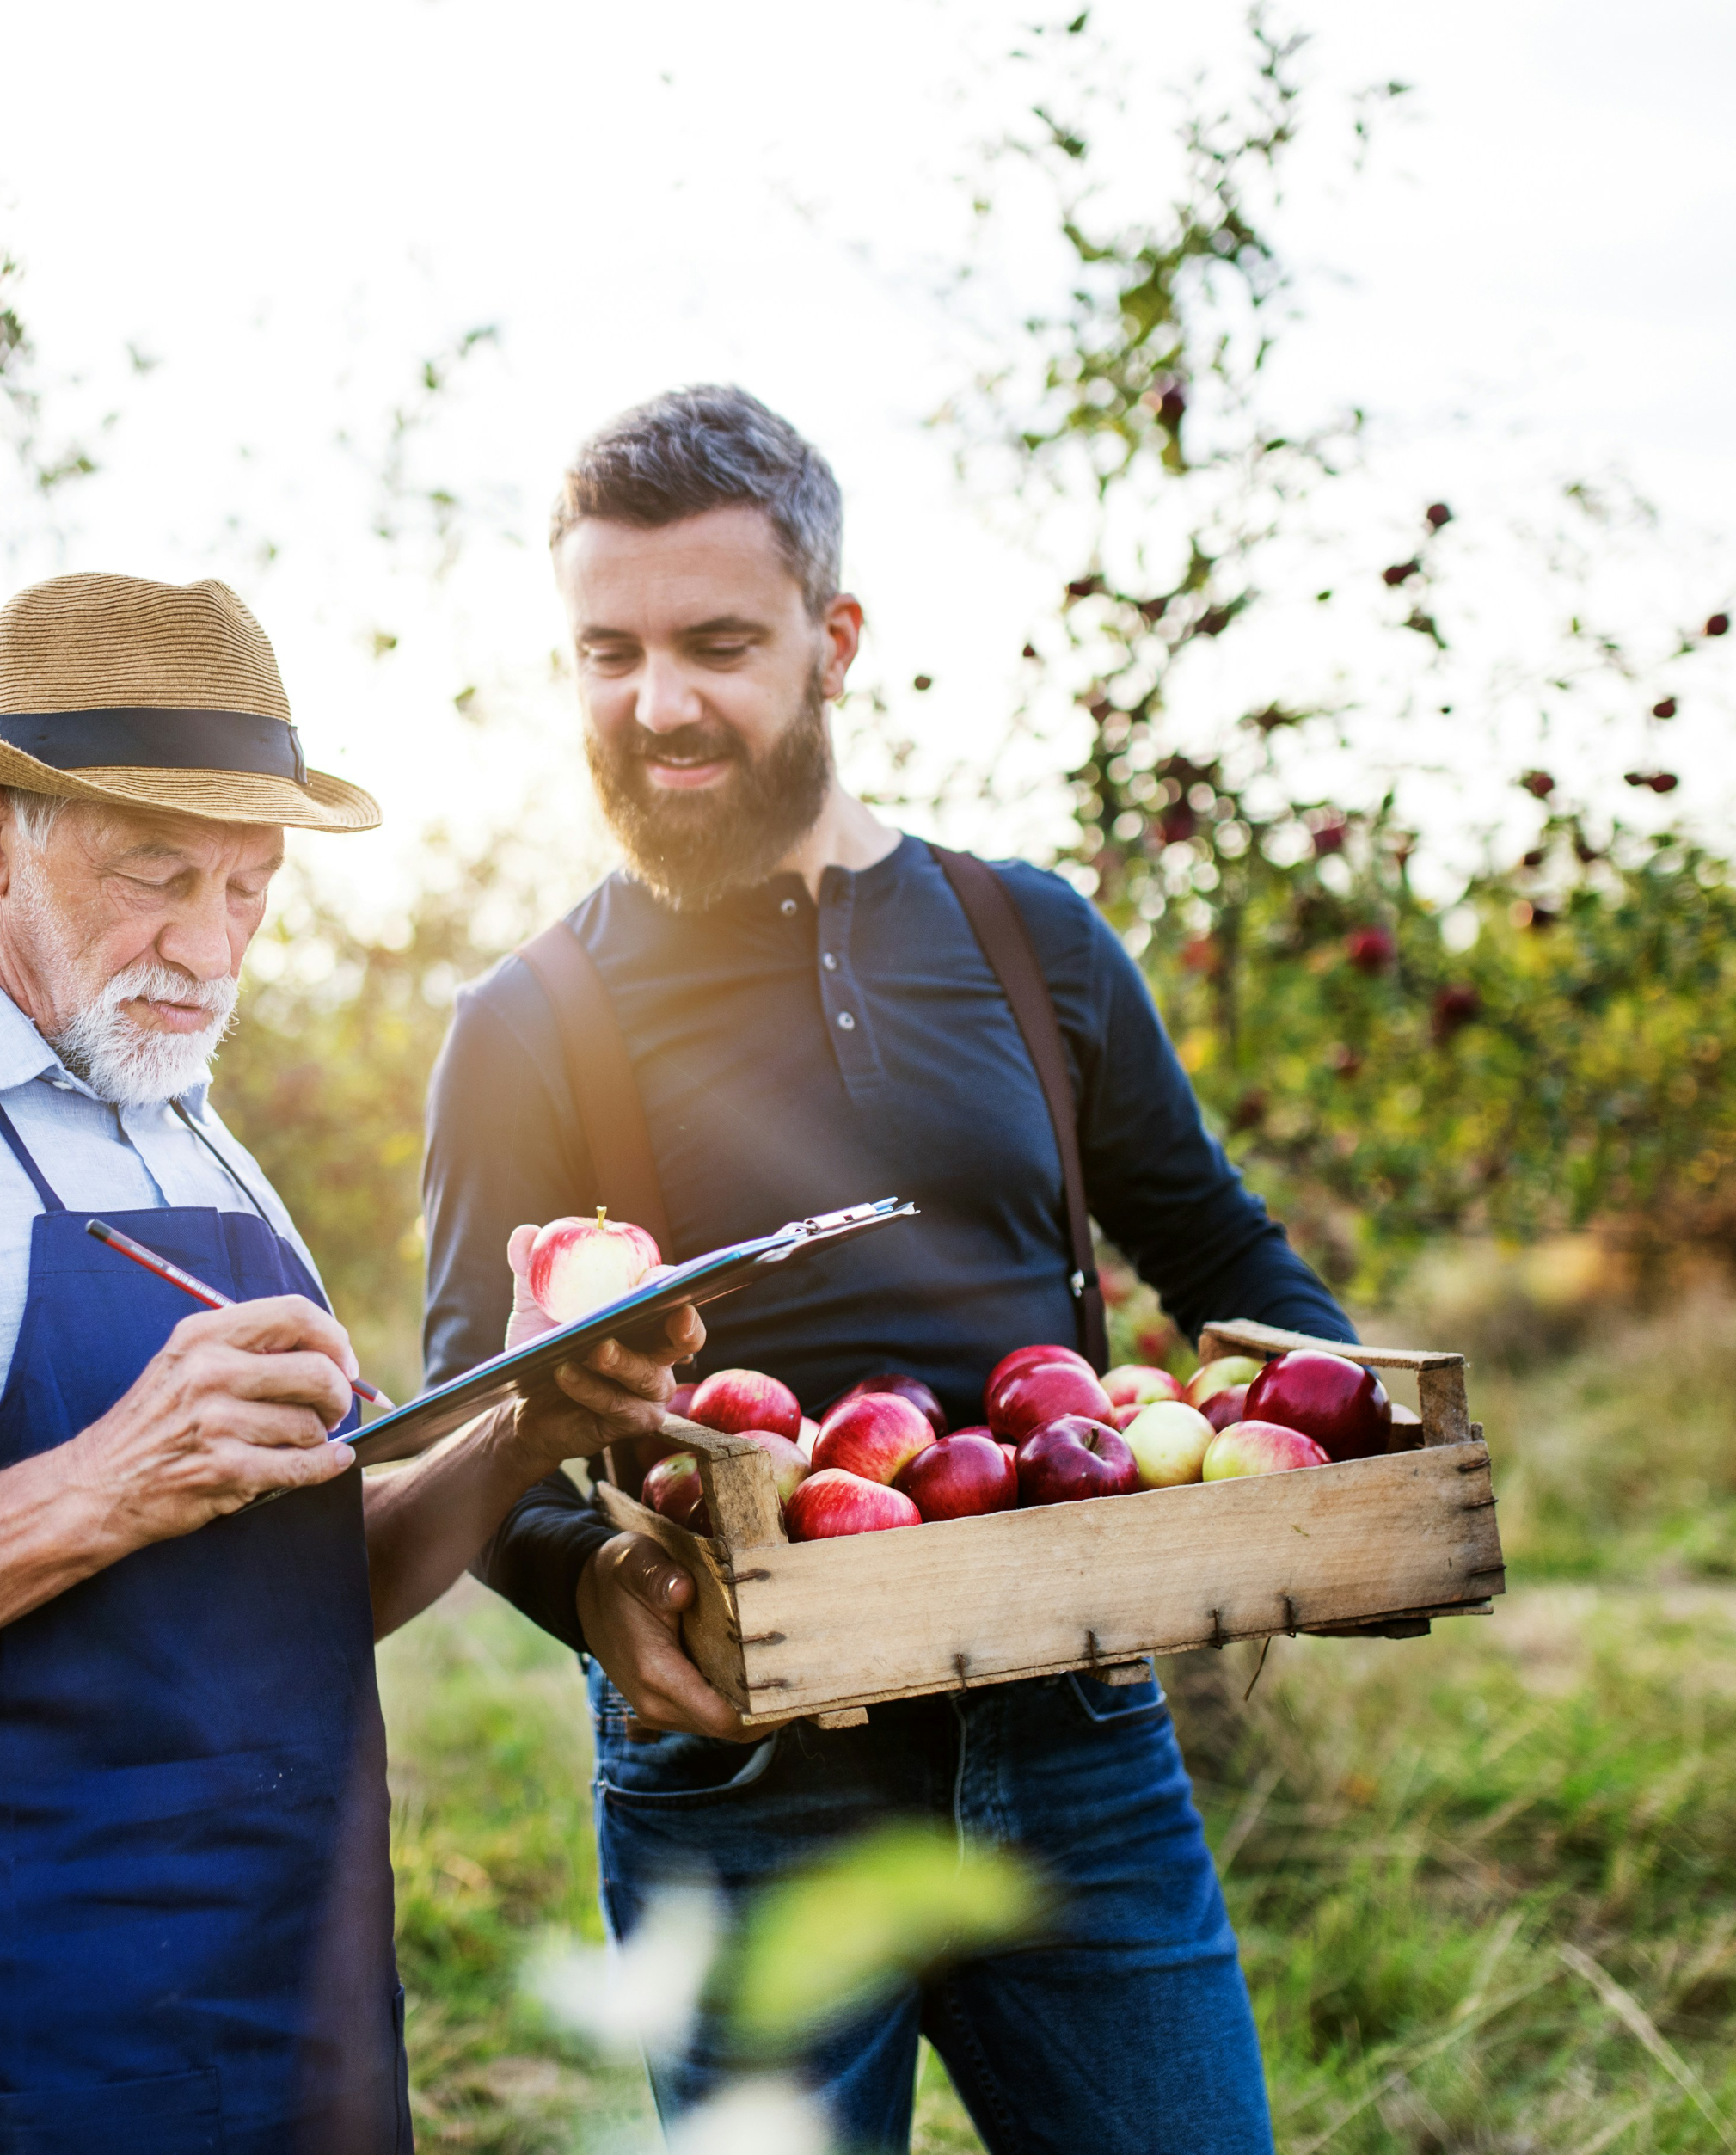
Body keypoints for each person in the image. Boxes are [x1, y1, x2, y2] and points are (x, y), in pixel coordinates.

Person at [0, 572, 696, 2155]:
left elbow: (297, 1587)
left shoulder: (196, 1139)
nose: (208, 946)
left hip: (303, 2047)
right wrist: (101, 1482)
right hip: (7, 2073)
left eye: (248, 886)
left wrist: (516, 1423)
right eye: (155, 871)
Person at [421, 387, 1351, 2153]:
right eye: (602, 652)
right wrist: (588, 1584)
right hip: (741, 1763)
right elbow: (467, 1389)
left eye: (713, 643)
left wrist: (1323, 1444)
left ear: (830, 639)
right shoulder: (524, 1024)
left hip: (1073, 1732)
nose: (655, 704)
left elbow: (1216, 1246)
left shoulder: (1029, 940)